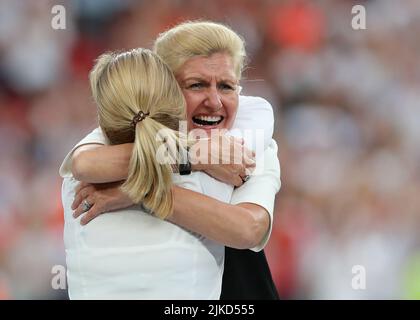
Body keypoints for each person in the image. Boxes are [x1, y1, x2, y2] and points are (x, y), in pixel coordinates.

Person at [61, 21, 281, 299]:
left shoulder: (247, 139)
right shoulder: (127, 129)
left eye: (226, 86)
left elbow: (250, 228)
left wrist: (139, 191)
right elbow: (85, 165)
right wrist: (193, 155)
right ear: (164, 89)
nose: (214, 102)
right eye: (196, 85)